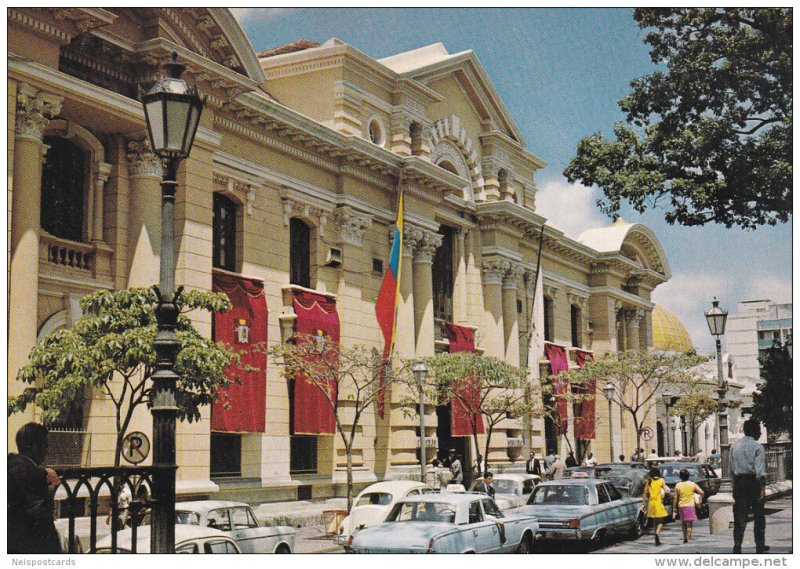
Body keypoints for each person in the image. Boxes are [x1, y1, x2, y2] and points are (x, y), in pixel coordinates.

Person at [8, 422, 62, 553]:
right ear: (31, 447)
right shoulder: (34, 474)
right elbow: (40, 516)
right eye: (44, 446)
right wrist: (50, 488)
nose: (47, 451)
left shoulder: (10, 465)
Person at [729, 419, 767, 554]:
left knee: (739, 517)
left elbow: (731, 469)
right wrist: (762, 490)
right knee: (759, 516)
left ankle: (737, 545)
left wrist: (735, 485)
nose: (760, 432)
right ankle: (759, 546)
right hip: (753, 483)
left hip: (739, 483)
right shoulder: (758, 447)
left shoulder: (734, 446)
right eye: (758, 430)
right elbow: (760, 472)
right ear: (753, 431)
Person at [673, 468, 704, 543]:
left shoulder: (678, 485)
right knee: (689, 524)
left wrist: (674, 508)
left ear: (680, 476)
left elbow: (675, 498)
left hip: (681, 506)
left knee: (683, 523)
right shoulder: (692, 484)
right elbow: (702, 492)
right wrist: (699, 499)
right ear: (688, 476)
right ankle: (689, 539)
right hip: (690, 506)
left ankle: (684, 538)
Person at [643, 466, 670, 546]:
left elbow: (645, 492)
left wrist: (643, 503)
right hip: (658, 502)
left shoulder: (649, 480)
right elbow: (666, 490)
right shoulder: (661, 480)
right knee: (661, 521)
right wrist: (667, 493)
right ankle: (657, 533)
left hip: (651, 503)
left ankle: (656, 539)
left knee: (654, 521)